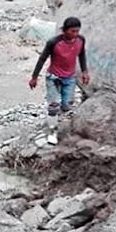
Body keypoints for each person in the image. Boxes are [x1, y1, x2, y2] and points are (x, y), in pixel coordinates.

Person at [29, 17, 90, 145]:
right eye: (72, 31)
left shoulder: (80, 40)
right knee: (53, 105)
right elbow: (42, 59)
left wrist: (85, 72)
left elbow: (82, 55)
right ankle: (52, 131)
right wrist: (34, 77)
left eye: (77, 31)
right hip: (53, 77)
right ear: (65, 30)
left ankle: (56, 122)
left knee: (67, 105)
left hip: (70, 78)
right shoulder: (53, 42)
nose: (75, 34)